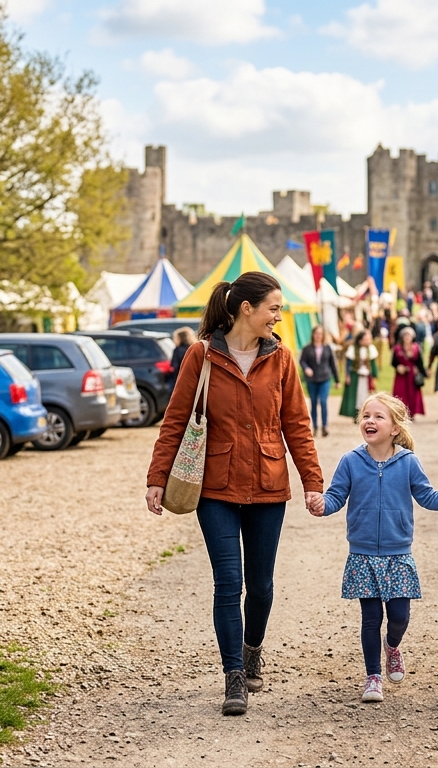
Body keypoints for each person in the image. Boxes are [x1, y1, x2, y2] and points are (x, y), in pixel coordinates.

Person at [145, 271, 324, 717]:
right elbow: (176, 419)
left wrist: (313, 482)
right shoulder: (201, 355)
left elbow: (297, 425)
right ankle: (233, 677)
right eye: (274, 309)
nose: (278, 317)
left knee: (260, 586)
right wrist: (157, 476)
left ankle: (252, 649)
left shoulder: (281, 358)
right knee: (229, 583)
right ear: (247, 308)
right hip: (215, 487)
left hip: (267, 484)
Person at [311, 393, 438, 703]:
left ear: (394, 428)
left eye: (378, 417)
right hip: (362, 554)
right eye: (366, 416)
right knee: (371, 617)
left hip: (398, 553)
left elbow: (428, 497)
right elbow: (336, 497)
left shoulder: (408, 462)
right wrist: (322, 504)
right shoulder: (351, 461)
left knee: (400, 616)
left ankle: (392, 646)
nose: (370, 421)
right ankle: (373, 677)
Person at [300, 325, 340, 437]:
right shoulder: (307, 348)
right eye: (316, 333)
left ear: (323, 335)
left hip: (324, 378)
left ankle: (324, 426)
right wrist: (306, 368)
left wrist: (337, 380)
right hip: (312, 379)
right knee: (313, 402)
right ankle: (315, 426)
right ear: (313, 334)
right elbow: (302, 361)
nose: (318, 336)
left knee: (323, 402)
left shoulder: (327, 348)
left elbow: (333, 364)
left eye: (320, 334)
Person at [339, 330, 378, 420]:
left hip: (366, 376)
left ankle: (366, 413)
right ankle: (355, 414)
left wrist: (374, 376)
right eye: (365, 339)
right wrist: (347, 376)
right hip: (355, 375)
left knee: (366, 395)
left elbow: (373, 364)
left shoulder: (371, 349)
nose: (367, 341)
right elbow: (348, 364)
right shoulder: (353, 348)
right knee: (356, 395)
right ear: (360, 340)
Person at [391, 327, 426, 419]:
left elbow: (420, 362)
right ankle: (400, 413)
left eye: (409, 335)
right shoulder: (397, 348)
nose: (407, 337)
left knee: (412, 394)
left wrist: (421, 371)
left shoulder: (416, 348)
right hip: (401, 375)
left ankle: (412, 413)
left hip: (411, 376)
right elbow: (393, 362)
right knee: (400, 393)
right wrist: (398, 367)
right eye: (405, 335)